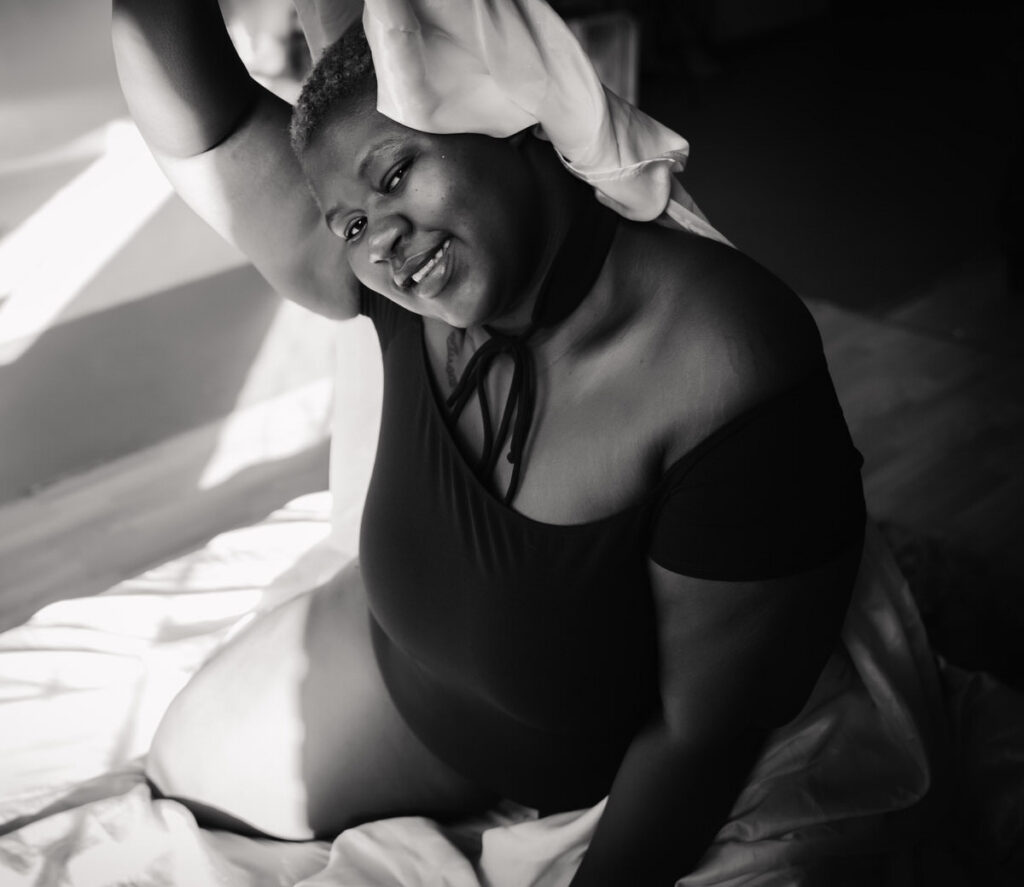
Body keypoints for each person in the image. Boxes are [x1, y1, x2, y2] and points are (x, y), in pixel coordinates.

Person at [109, 1, 949, 883]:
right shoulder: (404, 294)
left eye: (394, 174)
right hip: (410, 678)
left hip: (599, 771)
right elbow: (197, 123)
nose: (381, 236)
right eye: (350, 223)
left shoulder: (717, 358)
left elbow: (704, 734)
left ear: (509, 126)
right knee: (175, 772)